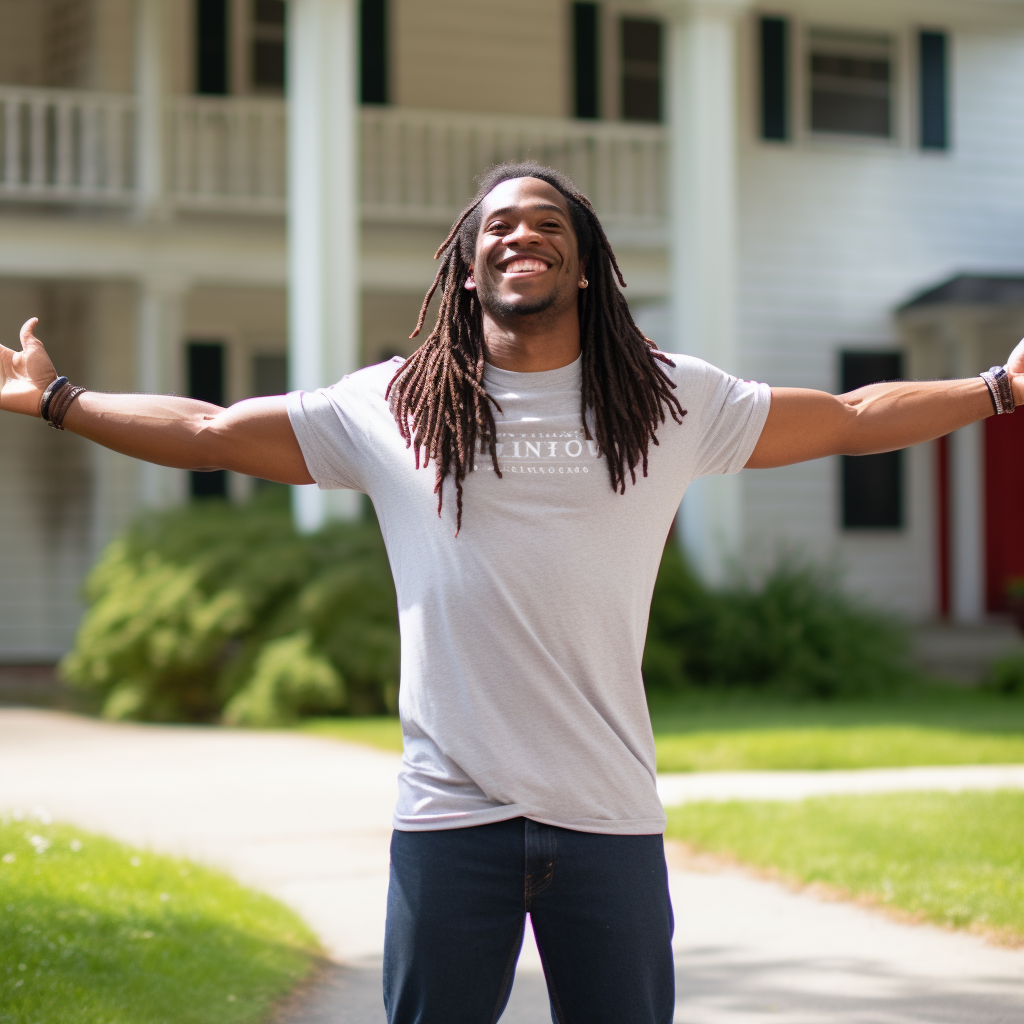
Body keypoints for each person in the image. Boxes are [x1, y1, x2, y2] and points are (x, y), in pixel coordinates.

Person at [1, 161, 1019, 1024]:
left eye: (546, 222)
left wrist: (997, 391)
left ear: (584, 266)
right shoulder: (392, 405)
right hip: (448, 821)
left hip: (607, 818)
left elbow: (845, 416)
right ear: (465, 263)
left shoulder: (668, 402)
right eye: (499, 224)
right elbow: (212, 431)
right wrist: (58, 399)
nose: (521, 233)